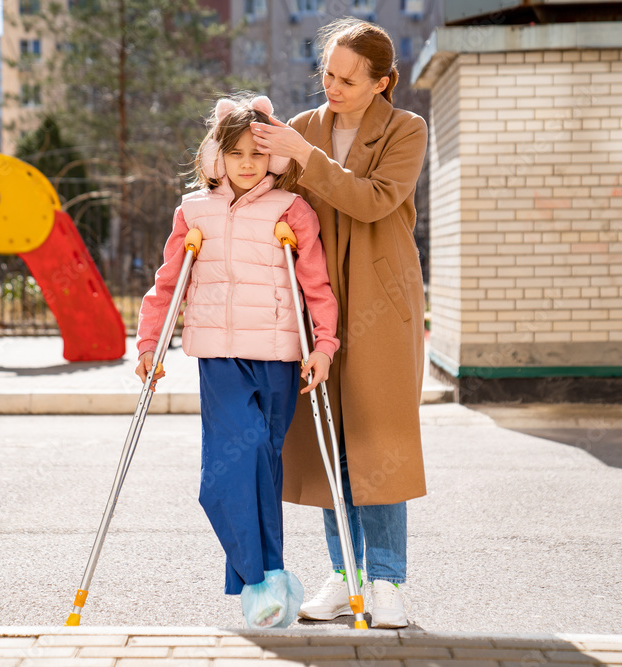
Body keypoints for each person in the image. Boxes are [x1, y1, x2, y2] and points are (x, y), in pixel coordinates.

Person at [135, 94, 340, 628]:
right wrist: (148, 345)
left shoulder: (291, 210)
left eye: (256, 152)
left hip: (277, 357)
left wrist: (324, 346)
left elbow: (315, 284)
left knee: (263, 467)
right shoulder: (193, 211)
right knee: (228, 468)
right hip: (220, 358)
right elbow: (166, 287)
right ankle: (256, 576)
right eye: (234, 152)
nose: (246, 163)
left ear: (272, 158)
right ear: (216, 158)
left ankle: (267, 580)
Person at [250, 18, 428, 629]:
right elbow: (265, 193)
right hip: (317, 303)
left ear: (382, 83)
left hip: (382, 301)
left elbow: (374, 200)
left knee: (381, 442)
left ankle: (388, 581)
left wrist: (307, 158)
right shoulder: (301, 129)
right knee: (332, 447)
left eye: (348, 79)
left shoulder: (407, 130)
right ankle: (344, 574)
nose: (333, 86)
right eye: (327, 72)